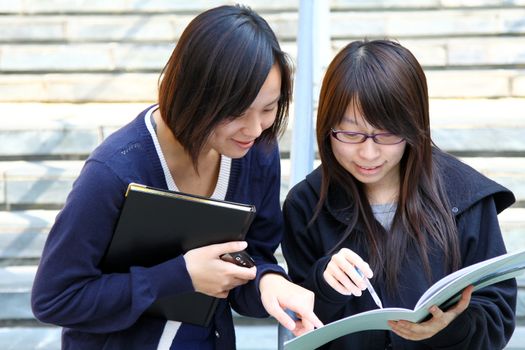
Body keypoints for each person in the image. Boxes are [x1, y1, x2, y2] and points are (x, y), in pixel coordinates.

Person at [31, 5, 322, 349]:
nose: (255, 128)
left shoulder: (256, 152)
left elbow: (250, 257)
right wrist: (178, 276)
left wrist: (267, 281)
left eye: (269, 109)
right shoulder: (113, 172)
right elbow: (56, 297)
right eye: (237, 113)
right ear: (195, 94)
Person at [281, 39, 517, 349]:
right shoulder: (307, 205)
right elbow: (298, 324)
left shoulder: (465, 195)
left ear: (413, 125)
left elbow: (497, 317)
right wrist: (325, 285)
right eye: (350, 134)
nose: (368, 153)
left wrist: (451, 327)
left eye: (387, 134)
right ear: (327, 127)